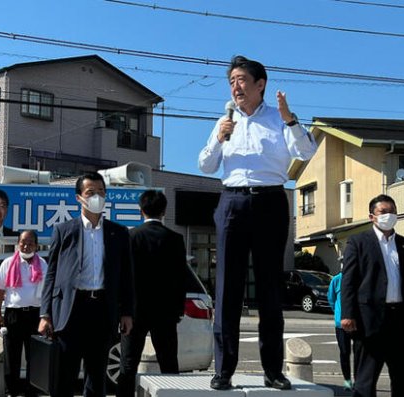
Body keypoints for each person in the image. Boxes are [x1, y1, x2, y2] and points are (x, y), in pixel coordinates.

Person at [198, 55, 318, 390]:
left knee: (269, 287)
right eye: (231, 81)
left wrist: (290, 119)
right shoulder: (225, 120)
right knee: (227, 289)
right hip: (232, 201)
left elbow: (305, 152)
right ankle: (223, 371)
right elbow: (206, 166)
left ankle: (273, 370)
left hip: (270, 201)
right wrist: (219, 138)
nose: (235, 86)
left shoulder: (279, 119)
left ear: (260, 84)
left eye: (241, 80)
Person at [38, 172, 135, 397]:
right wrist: (45, 314)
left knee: (96, 376)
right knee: (64, 375)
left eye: (101, 192)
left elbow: (126, 277)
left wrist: (127, 312)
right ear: (79, 198)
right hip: (70, 310)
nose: (97, 197)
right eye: (90, 192)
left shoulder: (118, 233)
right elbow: (51, 274)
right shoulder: (64, 231)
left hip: (101, 309)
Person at [341, 194, 404, 397]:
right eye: (383, 212)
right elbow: (349, 281)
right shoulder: (358, 242)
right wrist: (347, 314)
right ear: (372, 216)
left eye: (392, 211)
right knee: (366, 379)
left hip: (402, 319)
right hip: (369, 320)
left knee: (402, 378)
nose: (388, 215)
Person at [116, 190, 187, 397]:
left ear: (141, 211)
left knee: (128, 364)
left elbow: (123, 277)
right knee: (169, 363)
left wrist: (123, 309)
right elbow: (180, 278)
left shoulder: (130, 236)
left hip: (135, 311)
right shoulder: (175, 239)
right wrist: (178, 309)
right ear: (164, 211)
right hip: (165, 312)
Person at [0, 229, 47, 397]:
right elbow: (0, 291)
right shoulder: (8, 262)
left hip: (35, 314)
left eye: (30, 243)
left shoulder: (43, 264)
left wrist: (46, 316)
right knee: (12, 357)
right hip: (13, 315)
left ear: (36, 245)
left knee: (35, 357)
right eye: (23, 242)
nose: (26, 246)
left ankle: (33, 392)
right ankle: (11, 392)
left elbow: (48, 292)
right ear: (18, 244)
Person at [327, 264, 357, 391]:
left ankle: (359, 380)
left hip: (357, 323)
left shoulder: (359, 278)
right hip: (341, 324)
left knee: (359, 353)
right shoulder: (336, 279)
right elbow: (331, 298)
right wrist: (337, 313)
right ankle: (347, 380)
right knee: (345, 352)